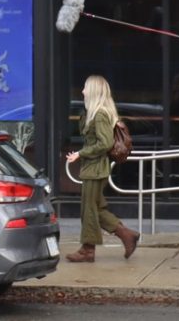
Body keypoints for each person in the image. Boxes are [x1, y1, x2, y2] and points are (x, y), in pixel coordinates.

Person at [64, 75, 141, 263]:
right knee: (96, 208)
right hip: (95, 168)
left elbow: (105, 143)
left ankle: (87, 250)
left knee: (88, 209)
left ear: (93, 91)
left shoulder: (99, 115)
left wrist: (81, 154)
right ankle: (126, 234)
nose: (82, 91)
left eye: (85, 88)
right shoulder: (94, 112)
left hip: (95, 168)